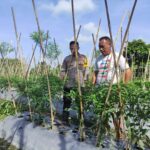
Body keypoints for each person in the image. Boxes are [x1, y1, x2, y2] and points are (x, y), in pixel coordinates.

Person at [92, 36, 132, 140]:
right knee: (101, 112)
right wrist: (93, 85)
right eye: (99, 47)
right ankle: (104, 132)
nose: (100, 49)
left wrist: (124, 87)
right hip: (100, 91)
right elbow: (95, 73)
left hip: (113, 90)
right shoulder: (98, 58)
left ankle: (119, 135)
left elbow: (127, 71)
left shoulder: (117, 56)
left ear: (110, 45)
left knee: (115, 114)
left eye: (103, 46)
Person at [60, 41, 88, 124]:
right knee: (66, 102)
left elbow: (87, 71)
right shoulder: (66, 59)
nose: (73, 50)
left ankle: (81, 119)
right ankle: (65, 119)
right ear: (69, 49)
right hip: (68, 84)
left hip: (80, 84)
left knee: (80, 102)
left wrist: (86, 82)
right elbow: (62, 70)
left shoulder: (84, 58)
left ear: (78, 48)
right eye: (71, 48)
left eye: (75, 48)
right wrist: (62, 79)